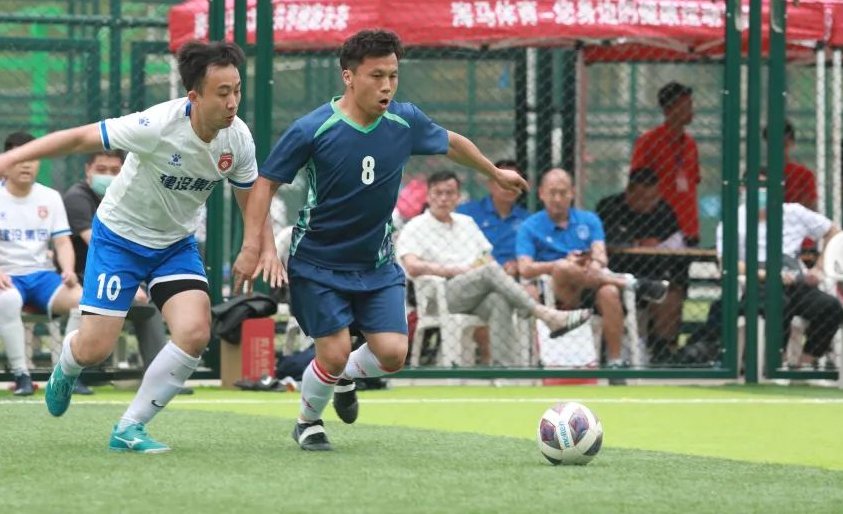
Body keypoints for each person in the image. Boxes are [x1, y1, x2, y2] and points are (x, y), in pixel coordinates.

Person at [0, 41, 283, 453]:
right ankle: (67, 364)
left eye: (236, 90)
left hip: (174, 245)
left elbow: (251, 198)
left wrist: (260, 247)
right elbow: (79, 138)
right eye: (222, 92)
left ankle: (130, 427)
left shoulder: (238, 138)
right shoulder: (156, 125)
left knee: (195, 332)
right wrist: (10, 158)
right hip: (119, 240)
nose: (233, 102)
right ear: (194, 96)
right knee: (95, 349)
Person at [230, 29, 529, 452]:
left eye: (393, 75)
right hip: (318, 264)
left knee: (392, 354)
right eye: (376, 76)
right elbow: (265, 183)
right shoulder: (314, 128)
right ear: (349, 77)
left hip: (376, 265)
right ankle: (308, 421)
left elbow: (452, 143)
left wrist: (493, 173)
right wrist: (253, 246)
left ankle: (344, 377)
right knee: (333, 353)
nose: (387, 85)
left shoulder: (405, 121)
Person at [396, 170, 590, 366]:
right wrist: (455, 270)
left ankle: (503, 370)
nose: (444, 198)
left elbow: (486, 258)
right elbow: (412, 266)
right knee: (489, 270)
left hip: (474, 290)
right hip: (437, 296)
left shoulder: (466, 223)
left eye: (449, 193)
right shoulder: (416, 226)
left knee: (499, 300)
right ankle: (546, 315)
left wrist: (477, 269)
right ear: (428, 196)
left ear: (458, 196)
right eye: (438, 193)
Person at [516, 168, 669, 376]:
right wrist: (558, 264)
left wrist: (595, 264)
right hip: (555, 291)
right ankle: (629, 282)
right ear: (541, 193)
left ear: (572, 193)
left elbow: (600, 255)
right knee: (563, 267)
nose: (558, 199)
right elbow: (525, 268)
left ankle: (615, 362)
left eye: (563, 192)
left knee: (610, 292)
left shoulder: (589, 220)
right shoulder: (529, 226)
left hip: (590, 287)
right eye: (552, 193)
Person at [0, 132, 83, 396]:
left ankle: (65, 373)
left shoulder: (51, 197)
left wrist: (68, 269)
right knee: (8, 300)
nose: (26, 165)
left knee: (82, 301)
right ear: (5, 162)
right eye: (19, 158)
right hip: (3, 275)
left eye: (32, 158)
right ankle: (21, 374)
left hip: (42, 276)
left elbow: (63, 243)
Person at [62, 150, 182, 391]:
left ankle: (159, 378)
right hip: (83, 277)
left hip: (121, 275)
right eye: (101, 169)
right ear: (88, 170)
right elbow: (96, 242)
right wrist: (129, 284)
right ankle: (71, 375)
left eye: (115, 170)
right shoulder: (77, 197)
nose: (108, 175)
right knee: (129, 299)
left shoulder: (129, 197)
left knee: (149, 305)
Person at [715, 172, 843, 369]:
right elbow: (728, 263)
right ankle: (778, 362)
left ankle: (804, 363)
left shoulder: (794, 212)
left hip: (794, 279)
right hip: (757, 282)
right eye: (756, 186)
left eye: (766, 186)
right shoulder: (733, 219)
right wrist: (766, 274)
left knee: (831, 307)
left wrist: (819, 268)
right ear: (743, 189)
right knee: (778, 302)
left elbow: (834, 232)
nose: (762, 192)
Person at [596, 167, 687, 362]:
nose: (649, 203)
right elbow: (606, 241)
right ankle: (610, 354)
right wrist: (636, 243)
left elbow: (675, 242)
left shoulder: (664, 210)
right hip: (617, 272)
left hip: (654, 272)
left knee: (672, 294)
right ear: (629, 192)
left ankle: (663, 351)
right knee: (607, 292)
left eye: (653, 198)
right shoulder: (609, 207)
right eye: (643, 198)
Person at [631, 81, 701, 244]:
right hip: (658, 227)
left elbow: (694, 181)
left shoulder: (690, 144)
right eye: (685, 106)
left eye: (691, 105)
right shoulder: (649, 141)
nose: (691, 111)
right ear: (668, 109)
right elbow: (638, 182)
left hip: (688, 226)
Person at [456, 159, 531, 280]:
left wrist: (516, 264)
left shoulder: (527, 220)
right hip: (475, 274)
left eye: (515, 183)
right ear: (490, 184)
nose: (509, 187)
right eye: (504, 182)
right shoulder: (467, 212)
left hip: (513, 277)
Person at [764, 120, 817, 209]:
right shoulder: (761, 174)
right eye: (773, 145)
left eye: (783, 145)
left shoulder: (804, 174)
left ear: (791, 143)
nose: (778, 150)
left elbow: (810, 205)